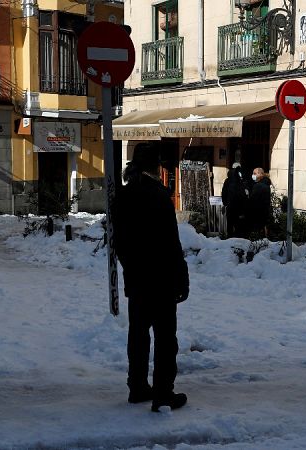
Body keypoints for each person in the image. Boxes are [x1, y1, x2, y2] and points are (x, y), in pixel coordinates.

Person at [113, 143, 189, 412]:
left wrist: (131, 270)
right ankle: (163, 393)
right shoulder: (157, 195)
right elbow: (170, 242)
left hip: (137, 280)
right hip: (161, 280)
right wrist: (181, 277)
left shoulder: (124, 194)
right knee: (166, 338)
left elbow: (119, 242)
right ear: (154, 165)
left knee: (138, 336)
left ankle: (137, 387)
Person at [221, 162, 249, 238]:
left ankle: (229, 242)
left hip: (230, 206)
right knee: (238, 226)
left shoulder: (227, 180)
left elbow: (224, 193)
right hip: (239, 207)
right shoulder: (241, 180)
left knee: (230, 225)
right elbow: (243, 194)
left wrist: (225, 203)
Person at [248, 167, 272, 237]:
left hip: (257, 211)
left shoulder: (258, 186)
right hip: (264, 211)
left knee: (257, 231)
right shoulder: (266, 183)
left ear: (260, 174)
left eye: (255, 173)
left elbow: (253, 200)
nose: (253, 175)